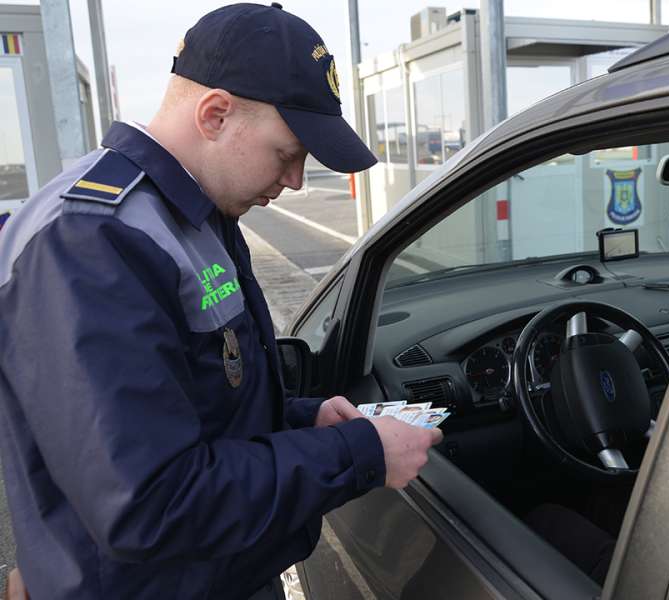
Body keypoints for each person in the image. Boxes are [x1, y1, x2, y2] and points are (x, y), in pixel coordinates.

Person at [0, 3, 441, 599]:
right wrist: (356, 451)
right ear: (215, 114)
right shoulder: (92, 242)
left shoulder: (188, 213)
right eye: (288, 154)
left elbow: (193, 402)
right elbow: (151, 505)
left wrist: (300, 419)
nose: (296, 182)